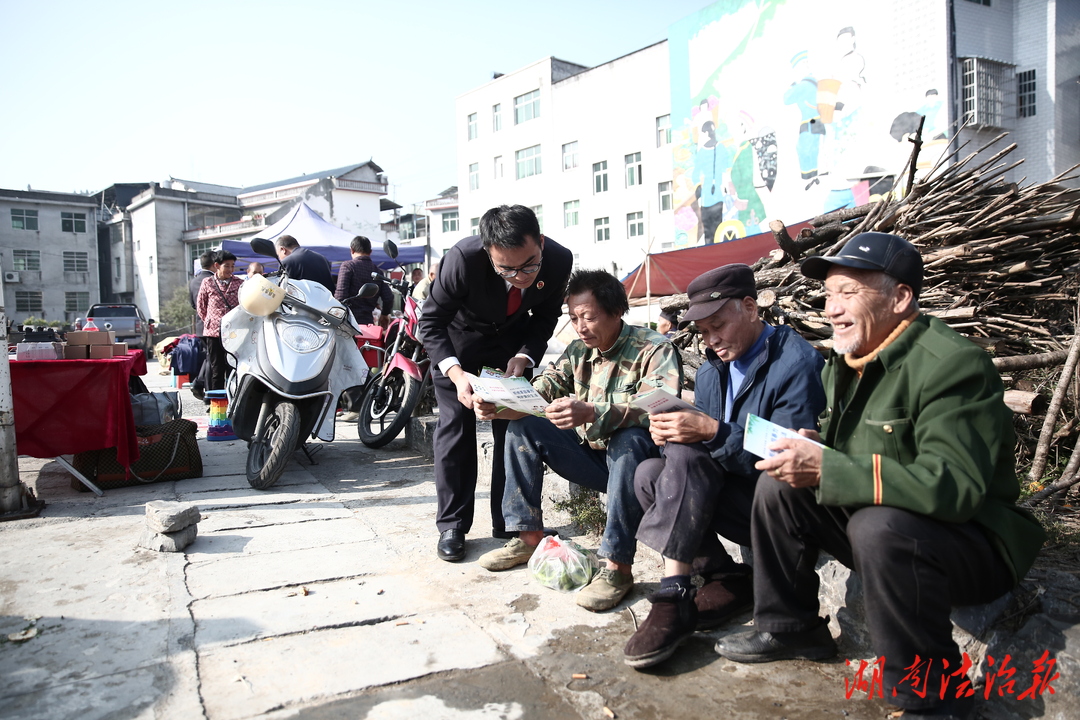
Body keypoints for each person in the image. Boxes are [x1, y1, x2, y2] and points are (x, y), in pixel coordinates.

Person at [714, 233, 1046, 719]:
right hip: (892, 533)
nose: (832, 308)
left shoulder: (952, 364)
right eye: (829, 295)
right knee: (779, 483)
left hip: (970, 543)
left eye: (849, 293)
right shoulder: (849, 362)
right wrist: (817, 446)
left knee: (878, 525)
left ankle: (933, 700)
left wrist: (829, 466)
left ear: (901, 297)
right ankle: (790, 627)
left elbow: (952, 486)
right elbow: (857, 452)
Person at [621, 264, 825, 668]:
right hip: (731, 495)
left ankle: (674, 592)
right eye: (704, 333)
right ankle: (724, 576)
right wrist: (672, 432)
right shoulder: (716, 368)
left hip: (777, 508)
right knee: (647, 474)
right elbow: (703, 455)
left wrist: (711, 431)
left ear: (750, 307)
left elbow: (788, 456)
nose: (712, 342)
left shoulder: (796, 362)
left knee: (687, 450)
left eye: (719, 326)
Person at [476, 270, 681, 612]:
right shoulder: (576, 352)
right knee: (522, 428)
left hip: (637, 469)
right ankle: (528, 537)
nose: (580, 327)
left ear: (617, 311)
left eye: (588, 317)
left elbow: (658, 405)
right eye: (573, 318)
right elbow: (539, 392)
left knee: (628, 440)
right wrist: (497, 405)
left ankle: (617, 567)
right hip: (592, 460)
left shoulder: (654, 348)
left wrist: (591, 412)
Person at [418, 204, 573, 562]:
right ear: (489, 253)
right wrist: (456, 375)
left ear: (542, 242)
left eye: (530, 264)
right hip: (459, 347)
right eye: (507, 268)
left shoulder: (559, 260)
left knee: (515, 429)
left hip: (510, 352)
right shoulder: (463, 259)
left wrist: (526, 355)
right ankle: (453, 526)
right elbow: (432, 322)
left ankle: (512, 522)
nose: (521, 276)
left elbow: (547, 316)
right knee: (456, 426)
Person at [196, 250, 243, 392]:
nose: (230, 269)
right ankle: (216, 403)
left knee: (233, 367)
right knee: (216, 368)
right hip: (213, 333)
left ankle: (234, 401)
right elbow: (201, 307)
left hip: (234, 332)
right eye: (226, 266)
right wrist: (212, 321)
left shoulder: (240, 283)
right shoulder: (207, 282)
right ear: (217, 265)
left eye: (232, 266)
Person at [334, 235, 394, 326]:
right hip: (367, 323)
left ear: (352, 250)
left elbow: (340, 297)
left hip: (348, 323)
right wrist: (385, 314)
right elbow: (388, 297)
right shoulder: (377, 272)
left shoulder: (348, 266)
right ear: (370, 252)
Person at [188, 250, 215, 401]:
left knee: (209, 357)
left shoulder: (193, 281)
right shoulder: (213, 280)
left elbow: (193, 304)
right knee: (212, 359)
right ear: (214, 264)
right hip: (213, 326)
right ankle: (205, 390)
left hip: (200, 325)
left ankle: (199, 383)